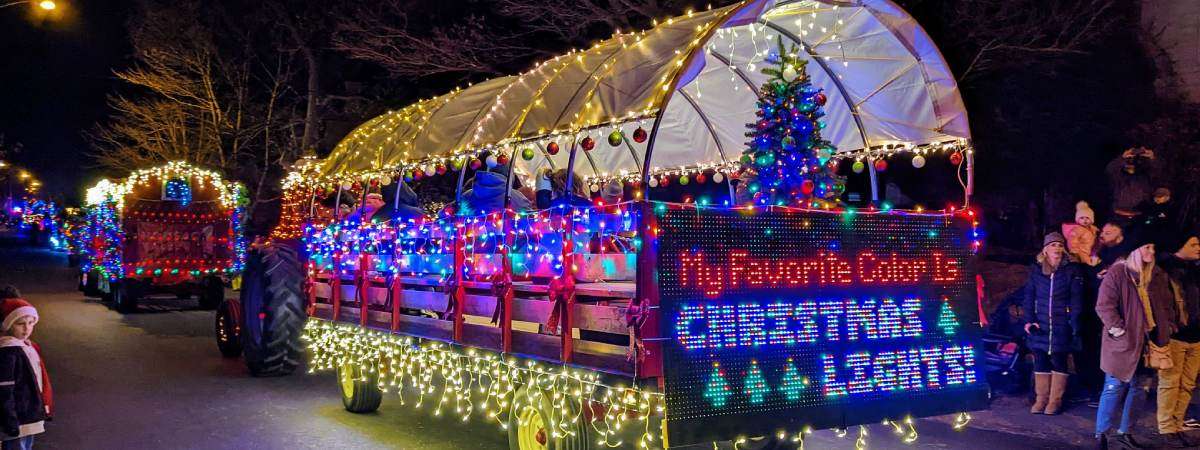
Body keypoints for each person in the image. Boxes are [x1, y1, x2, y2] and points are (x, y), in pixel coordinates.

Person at [1095, 243, 1177, 449]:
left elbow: (1166, 303)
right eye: (1146, 248)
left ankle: (1126, 432)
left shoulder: (1154, 274)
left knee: (1140, 388)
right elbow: (1104, 305)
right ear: (1135, 250)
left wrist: (1168, 326)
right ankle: (1102, 434)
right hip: (1124, 342)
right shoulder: (1118, 273)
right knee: (1114, 387)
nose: (1152, 252)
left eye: (1153, 248)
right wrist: (1118, 329)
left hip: (1149, 342)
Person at [1021, 232, 1083, 415]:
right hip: (1040, 324)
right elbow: (1029, 296)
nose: (1057, 248)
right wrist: (1028, 320)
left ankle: (1055, 401)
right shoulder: (1036, 270)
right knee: (1040, 360)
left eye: (1060, 245)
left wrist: (1073, 323)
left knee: (1058, 360)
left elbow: (1076, 299)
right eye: (1053, 245)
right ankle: (1041, 399)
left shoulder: (1070, 270)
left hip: (1061, 323)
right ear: (1045, 250)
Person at [1154, 233, 1200, 446]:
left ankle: (1178, 424)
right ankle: (1166, 428)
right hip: (1176, 336)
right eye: (1193, 244)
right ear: (1179, 246)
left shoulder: (1195, 270)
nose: (1198, 247)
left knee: (1188, 383)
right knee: (1170, 382)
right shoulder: (1165, 271)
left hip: (1196, 336)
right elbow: (1162, 304)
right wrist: (1168, 329)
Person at [0, 297, 52, 450]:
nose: (27, 328)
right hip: (18, 417)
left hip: (27, 415)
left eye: (31, 323)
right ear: (8, 325)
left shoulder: (26, 347)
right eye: (20, 323)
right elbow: (5, 388)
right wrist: (10, 419)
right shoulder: (8, 352)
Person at [1106, 146, 1161, 221]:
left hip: (1140, 216)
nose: (1131, 162)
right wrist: (1123, 157)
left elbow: (1157, 171)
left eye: (1134, 159)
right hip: (1118, 215)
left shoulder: (1144, 178)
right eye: (1129, 160)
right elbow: (1111, 170)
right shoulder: (1118, 177)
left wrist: (1152, 158)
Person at [461, 164, 533, 214]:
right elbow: (530, 219)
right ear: (510, 175)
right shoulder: (515, 197)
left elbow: (455, 214)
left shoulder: (466, 196)